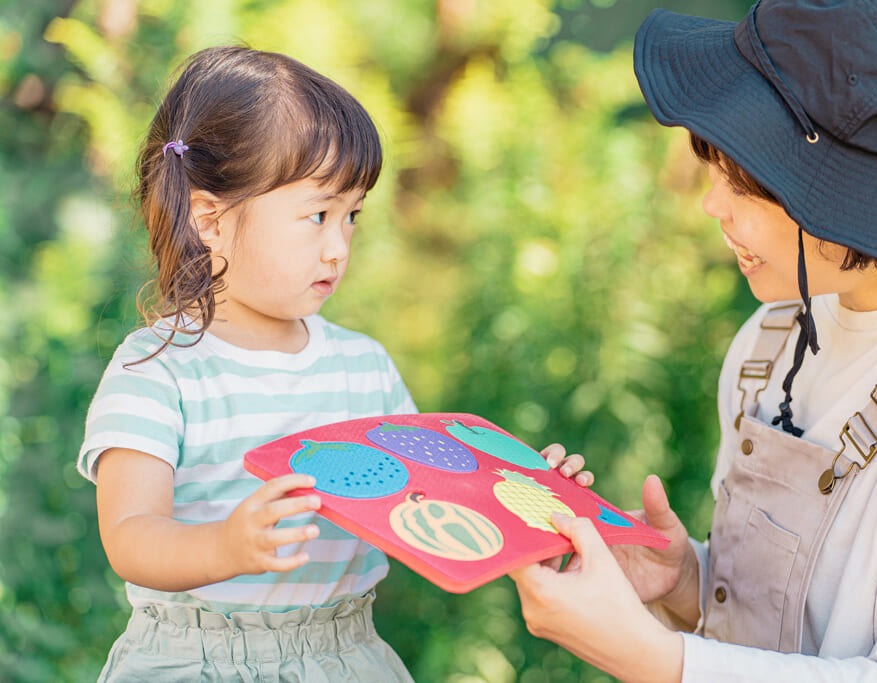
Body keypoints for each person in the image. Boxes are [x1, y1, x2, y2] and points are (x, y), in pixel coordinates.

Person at [509, 1, 877, 681]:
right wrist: (689, 583)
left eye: (743, 182)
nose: (711, 205)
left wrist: (651, 658)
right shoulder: (771, 339)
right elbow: (800, 630)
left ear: (850, 200)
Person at [77, 46, 588, 681]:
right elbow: (129, 534)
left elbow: (431, 494)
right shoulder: (159, 369)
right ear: (209, 218)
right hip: (197, 658)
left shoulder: (362, 367)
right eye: (317, 215)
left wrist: (530, 497)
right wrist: (225, 546)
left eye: (351, 217)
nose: (337, 247)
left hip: (345, 656)